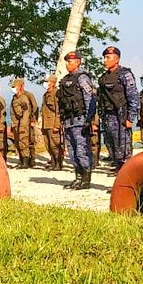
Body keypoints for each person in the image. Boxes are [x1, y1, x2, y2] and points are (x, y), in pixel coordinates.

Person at [96, 46, 139, 176]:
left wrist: (130, 118)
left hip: (121, 116)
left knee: (123, 146)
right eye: (104, 57)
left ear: (117, 59)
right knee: (111, 144)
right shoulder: (103, 78)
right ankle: (118, 168)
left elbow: (133, 97)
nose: (105, 60)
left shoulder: (125, 75)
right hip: (107, 116)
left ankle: (126, 172)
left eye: (108, 57)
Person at [58, 52, 97, 189]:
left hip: (80, 120)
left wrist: (88, 120)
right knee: (72, 150)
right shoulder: (64, 80)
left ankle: (86, 179)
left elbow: (90, 100)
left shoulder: (82, 78)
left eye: (70, 61)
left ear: (78, 62)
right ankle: (78, 177)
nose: (67, 64)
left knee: (82, 150)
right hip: (68, 120)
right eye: (67, 61)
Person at [10, 78, 39, 168]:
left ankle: (31, 159)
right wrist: (13, 123)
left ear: (21, 86)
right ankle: (23, 160)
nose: (13, 88)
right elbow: (12, 111)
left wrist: (33, 120)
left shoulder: (28, 95)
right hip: (18, 123)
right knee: (20, 141)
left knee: (29, 141)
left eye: (15, 86)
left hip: (28, 121)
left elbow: (35, 108)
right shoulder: (15, 97)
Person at [40, 74, 64, 171]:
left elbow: (58, 111)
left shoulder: (56, 94)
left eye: (47, 82)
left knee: (55, 145)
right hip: (46, 123)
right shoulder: (45, 95)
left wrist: (57, 125)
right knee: (48, 145)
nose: (45, 83)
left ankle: (58, 163)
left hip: (53, 123)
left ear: (53, 83)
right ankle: (53, 162)